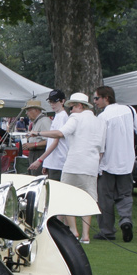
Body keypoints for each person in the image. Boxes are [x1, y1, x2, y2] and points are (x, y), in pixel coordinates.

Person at [32, 92, 105, 243]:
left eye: (72, 107)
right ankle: (86, 235)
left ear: (79, 106)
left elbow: (60, 133)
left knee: (66, 195)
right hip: (91, 165)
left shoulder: (76, 117)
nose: (70, 111)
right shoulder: (100, 121)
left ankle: (74, 230)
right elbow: (101, 150)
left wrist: (38, 132)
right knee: (89, 198)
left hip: (74, 163)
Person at [93, 85, 137, 242]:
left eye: (96, 98)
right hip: (127, 161)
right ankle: (126, 220)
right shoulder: (130, 110)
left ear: (106, 98)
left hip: (107, 163)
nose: (95, 102)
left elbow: (99, 143)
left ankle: (107, 230)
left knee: (105, 198)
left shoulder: (102, 117)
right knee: (125, 195)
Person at [29, 89, 69, 179]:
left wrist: (40, 159)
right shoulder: (58, 116)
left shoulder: (62, 116)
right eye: (50, 102)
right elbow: (51, 142)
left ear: (63, 101)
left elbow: (55, 141)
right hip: (53, 162)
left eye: (55, 101)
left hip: (58, 162)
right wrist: (46, 162)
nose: (52, 104)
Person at [20, 99, 51, 166]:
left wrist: (33, 144)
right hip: (34, 153)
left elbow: (50, 141)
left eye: (28, 110)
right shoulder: (36, 122)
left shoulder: (44, 121)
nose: (26, 113)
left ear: (36, 110)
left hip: (40, 153)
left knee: (37, 175)